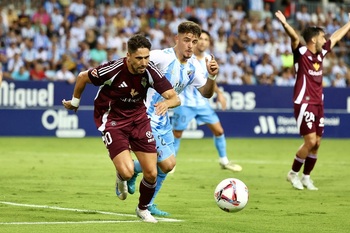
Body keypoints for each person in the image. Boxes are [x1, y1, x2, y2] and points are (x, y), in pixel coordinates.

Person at [62, 34, 180, 223]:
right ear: (128, 56)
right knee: (127, 173)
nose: (144, 62)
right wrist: (75, 102)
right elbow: (82, 77)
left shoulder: (150, 71)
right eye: (139, 58)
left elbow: (175, 97)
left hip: (139, 120)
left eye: (147, 57)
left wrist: (168, 103)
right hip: (113, 120)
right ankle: (121, 175)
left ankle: (142, 209)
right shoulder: (114, 69)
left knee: (152, 173)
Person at [128, 21, 219, 216]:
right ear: (176, 39)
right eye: (186, 40)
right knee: (168, 164)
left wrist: (212, 77)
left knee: (165, 166)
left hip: (163, 119)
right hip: (145, 116)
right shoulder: (161, 56)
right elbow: (133, 61)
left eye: (194, 41)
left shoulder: (194, 66)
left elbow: (206, 93)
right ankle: (140, 200)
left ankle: (140, 187)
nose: (190, 45)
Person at [275, 10, 350, 190]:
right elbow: (293, 37)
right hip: (304, 102)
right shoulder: (301, 52)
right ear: (314, 39)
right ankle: (293, 174)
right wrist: (285, 24)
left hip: (318, 103)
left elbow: (337, 37)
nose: (326, 40)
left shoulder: (321, 53)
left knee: (316, 144)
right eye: (322, 37)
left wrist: (349, 24)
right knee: (309, 142)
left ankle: (306, 177)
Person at [172, 30, 242, 172]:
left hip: (202, 103)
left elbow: (210, 81)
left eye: (206, 39)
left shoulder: (208, 59)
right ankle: (170, 163)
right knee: (177, 134)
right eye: (201, 39)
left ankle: (224, 161)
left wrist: (220, 94)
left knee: (219, 131)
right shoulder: (186, 57)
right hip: (185, 103)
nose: (203, 42)